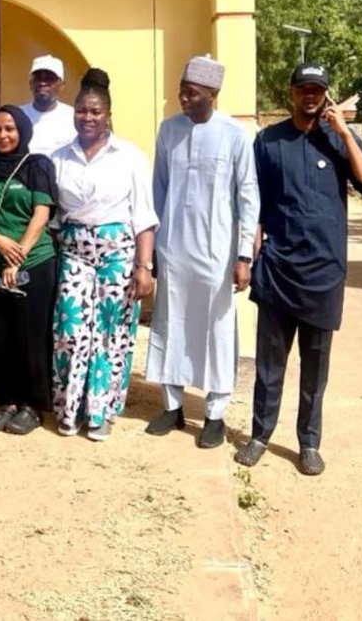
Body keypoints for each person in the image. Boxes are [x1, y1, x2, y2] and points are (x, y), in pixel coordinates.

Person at [236, 62, 362, 476]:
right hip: (278, 270)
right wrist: (250, 255)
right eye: (303, 89)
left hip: (325, 272)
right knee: (269, 364)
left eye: (318, 90)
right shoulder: (268, 141)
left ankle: (309, 442)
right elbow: (254, 205)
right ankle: (260, 435)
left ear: (327, 95)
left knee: (316, 368)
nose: (310, 96)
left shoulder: (337, 139)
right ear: (291, 93)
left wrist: (344, 132)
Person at [144, 55, 259, 449]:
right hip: (173, 248)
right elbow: (158, 188)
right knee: (170, 322)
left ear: (212, 94)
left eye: (191, 92)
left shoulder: (234, 134)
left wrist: (244, 256)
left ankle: (215, 414)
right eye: (182, 88)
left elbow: (248, 196)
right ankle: (171, 406)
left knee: (215, 330)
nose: (183, 97)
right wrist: (154, 247)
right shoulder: (168, 130)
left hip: (217, 253)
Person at [50, 68, 157, 441]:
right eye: (81, 110)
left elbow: (144, 217)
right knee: (69, 329)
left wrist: (143, 267)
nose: (88, 117)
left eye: (95, 111)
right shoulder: (59, 157)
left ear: (108, 114)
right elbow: (51, 215)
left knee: (111, 333)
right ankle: (70, 407)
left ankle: (103, 411)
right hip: (74, 253)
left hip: (118, 256)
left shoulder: (129, 157)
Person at [0, 105, 58, 435]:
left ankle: (31, 406)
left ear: (22, 131)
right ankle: (6, 401)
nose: (2, 135)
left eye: (10, 129)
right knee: (1, 334)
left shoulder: (37, 165)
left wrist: (16, 256)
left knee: (30, 335)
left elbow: (41, 214)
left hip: (33, 263)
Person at [20, 55, 76, 155]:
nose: (42, 83)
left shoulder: (73, 117)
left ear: (62, 84)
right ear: (31, 83)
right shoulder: (18, 116)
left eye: (49, 78)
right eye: (38, 78)